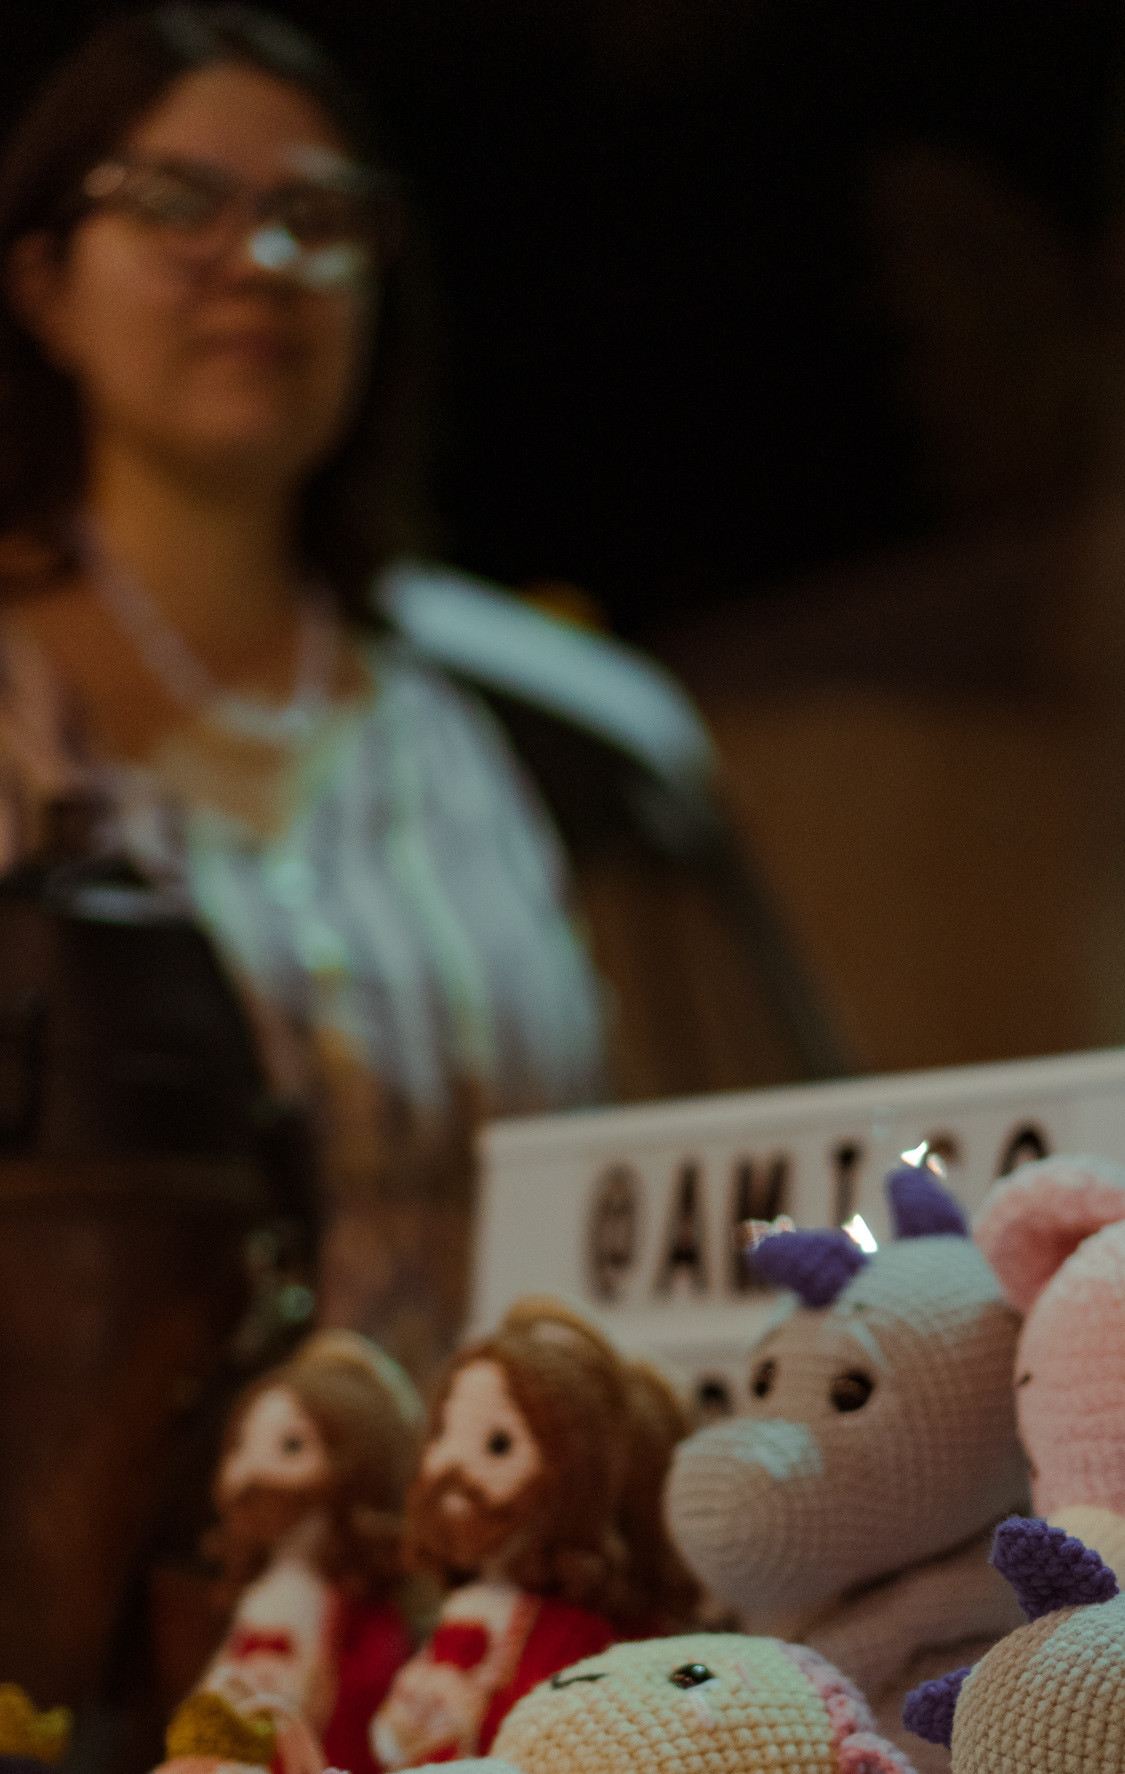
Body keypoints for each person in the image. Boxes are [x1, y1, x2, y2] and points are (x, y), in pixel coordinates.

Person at [0, 5, 607, 1380]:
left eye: (317, 218)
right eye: (179, 203)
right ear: (43, 286)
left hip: (470, 1501)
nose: (262, 261)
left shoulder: (463, 733)